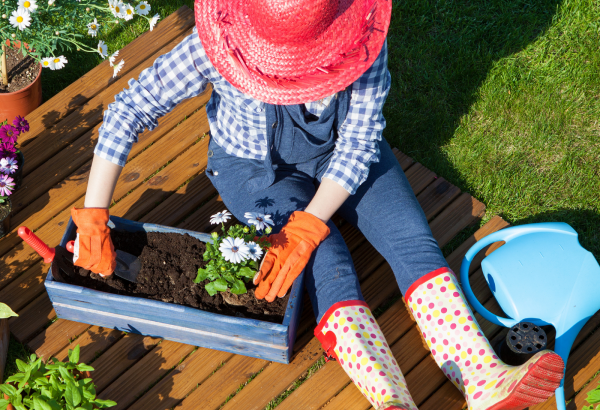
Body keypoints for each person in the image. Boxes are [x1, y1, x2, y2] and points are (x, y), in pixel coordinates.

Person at [72, 0, 565, 409]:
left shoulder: (360, 40)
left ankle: (481, 375)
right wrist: (95, 216)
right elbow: (131, 108)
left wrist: (310, 222)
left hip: (346, 155)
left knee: (410, 238)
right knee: (328, 264)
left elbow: (360, 139)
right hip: (252, 170)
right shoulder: (215, 44)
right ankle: (391, 398)